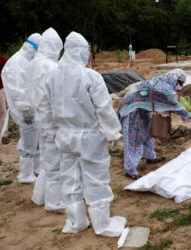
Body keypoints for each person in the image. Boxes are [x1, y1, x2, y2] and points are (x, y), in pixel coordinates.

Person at [41, 31, 126, 235]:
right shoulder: (90, 76)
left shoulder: (51, 76)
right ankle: (102, 224)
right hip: (89, 137)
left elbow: (46, 108)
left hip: (64, 136)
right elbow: (103, 108)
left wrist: (51, 131)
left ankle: (76, 222)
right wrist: (114, 133)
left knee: (69, 179)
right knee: (96, 180)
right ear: (82, 52)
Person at [117, 69, 191, 180]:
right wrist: (188, 116)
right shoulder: (165, 89)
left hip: (142, 108)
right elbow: (174, 105)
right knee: (133, 138)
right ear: (175, 80)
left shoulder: (162, 81)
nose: (181, 86)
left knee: (148, 133)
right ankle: (130, 170)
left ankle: (150, 157)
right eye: (180, 83)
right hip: (131, 108)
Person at [25, 27, 65, 212]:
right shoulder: (51, 66)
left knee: (46, 160)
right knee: (55, 162)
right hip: (50, 118)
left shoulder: (34, 62)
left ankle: (39, 196)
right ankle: (54, 202)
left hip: (39, 115)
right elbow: (57, 97)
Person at [1, 33, 41, 183]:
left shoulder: (26, 60)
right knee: (28, 140)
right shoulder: (16, 62)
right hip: (23, 110)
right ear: (32, 48)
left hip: (31, 107)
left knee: (35, 139)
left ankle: (36, 169)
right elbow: (15, 88)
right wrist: (24, 107)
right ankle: (25, 174)